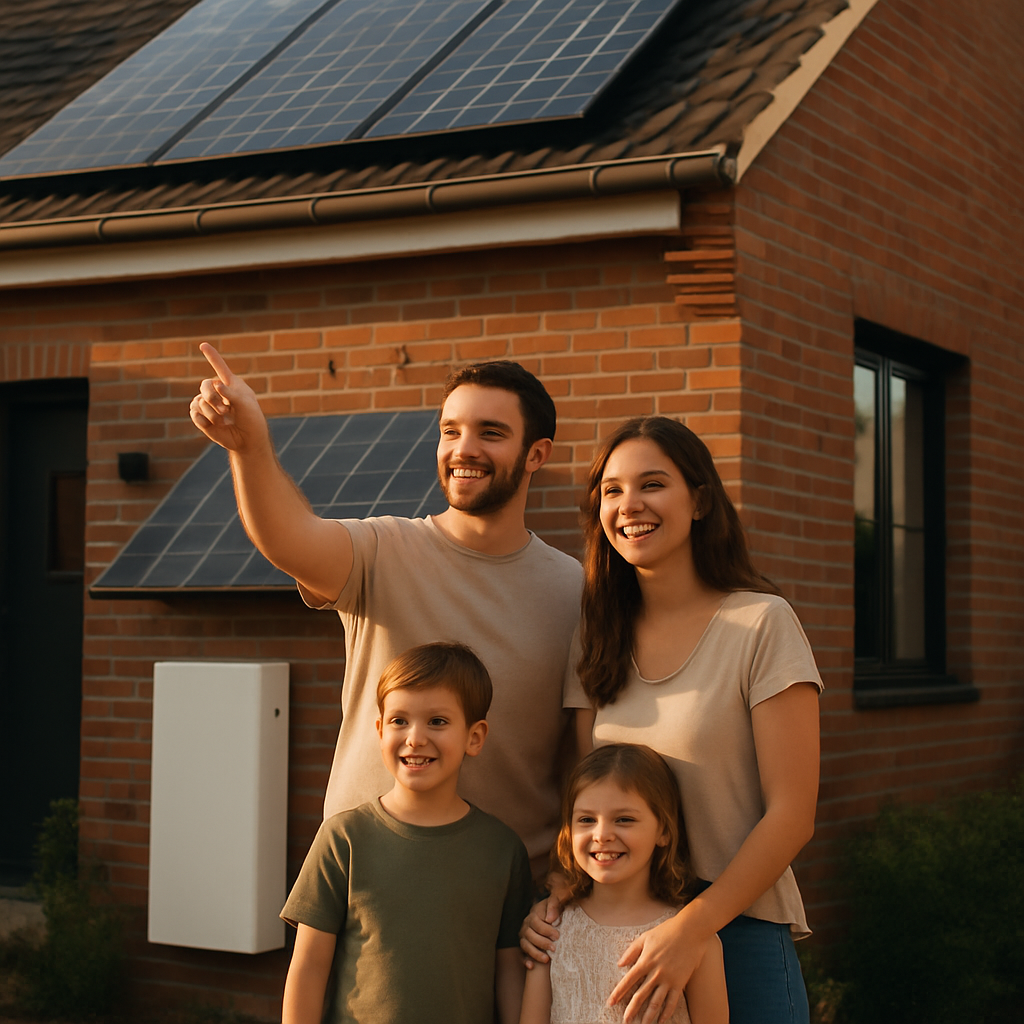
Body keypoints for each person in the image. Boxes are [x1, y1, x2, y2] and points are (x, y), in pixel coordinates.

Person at [189, 346, 582, 873]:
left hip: (507, 889)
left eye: (490, 433)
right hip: (363, 875)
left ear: (537, 454)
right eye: (450, 431)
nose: (464, 449)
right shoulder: (383, 549)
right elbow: (287, 537)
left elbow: (582, 751)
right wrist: (249, 447)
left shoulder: (573, 590)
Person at [524, 416, 821, 1024]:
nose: (629, 504)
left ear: (700, 502)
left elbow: (792, 814)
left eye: (653, 484)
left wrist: (692, 928)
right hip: (617, 922)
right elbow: (583, 792)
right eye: (612, 490)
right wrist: (558, 893)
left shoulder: (763, 624)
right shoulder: (596, 637)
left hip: (736, 924)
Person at [281, 641, 533, 1024]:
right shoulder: (343, 839)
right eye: (399, 721)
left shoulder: (503, 850)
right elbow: (309, 968)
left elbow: (510, 972)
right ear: (380, 730)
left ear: (475, 737)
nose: (415, 737)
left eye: (437, 721)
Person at [519, 743, 728, 1024]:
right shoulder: (550, 932)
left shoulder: (694, 941)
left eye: (624, 819)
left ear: (664, 830)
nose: (602, 834)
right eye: (586, 819)